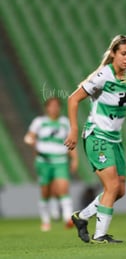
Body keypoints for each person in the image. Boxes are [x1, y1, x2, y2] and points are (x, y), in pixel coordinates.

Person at [64, 34, 126, 244]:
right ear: (113, 54)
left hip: (114, 139)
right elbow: (73, 99)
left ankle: (82, 217)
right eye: (123, 53)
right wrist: (73, 129)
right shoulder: (103, 75)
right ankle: (100, 235)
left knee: (120, 189)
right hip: (97, 135)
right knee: (112, 186)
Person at [24, 97, 78, 231]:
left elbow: (71, 142)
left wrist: (75, 159)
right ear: (46, 108)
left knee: (63, 188)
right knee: (45, 192)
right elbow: (29, 137)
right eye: (51, 106)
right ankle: (45, 220)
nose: (54, 108)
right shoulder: (39, 122)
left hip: (60, 160)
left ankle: (68, 219)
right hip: (44, 161)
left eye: (56, 106)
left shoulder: (65, 122)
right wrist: (30, 141)